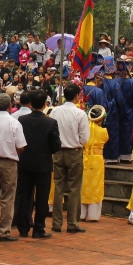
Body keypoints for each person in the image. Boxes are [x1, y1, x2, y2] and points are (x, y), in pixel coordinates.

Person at [15, 88, 61, 239]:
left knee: (24, 196)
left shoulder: (22, 120)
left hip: (25, 162)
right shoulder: (50, 122)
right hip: (43, 164)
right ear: (44, 104)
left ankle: (23, 227)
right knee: (42, 197)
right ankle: (39, 228)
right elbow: (56, 145)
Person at [0, 93, 25, 241]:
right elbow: (21, 146)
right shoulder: (14, 122)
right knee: (8, 197)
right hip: (8, 162)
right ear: (10, 106)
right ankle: (3, 231)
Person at [51, 82, 91, 233]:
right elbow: (85, 139)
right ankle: (72, 223)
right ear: (76, 97)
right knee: (74, 188)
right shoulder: (80, 113)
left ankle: (56, 223)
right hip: (74, 152)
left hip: (58, 151)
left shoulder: (55, 111)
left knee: (58, 187)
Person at [80, 105, 109, 222]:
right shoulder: (103, 131)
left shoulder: (84, 129)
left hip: (84, 158)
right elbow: (105, 139)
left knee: (82, 184)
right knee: (95, 186)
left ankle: (81, 214)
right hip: (97, 159)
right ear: (101, 119)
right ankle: (93, 215)